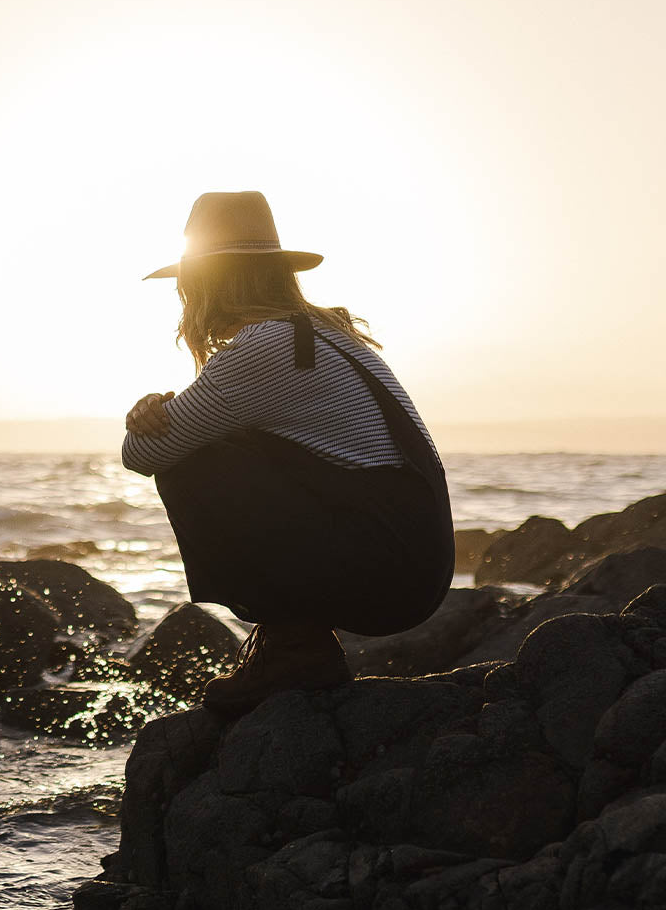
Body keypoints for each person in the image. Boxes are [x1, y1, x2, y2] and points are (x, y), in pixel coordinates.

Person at [123, 191, 454, 717]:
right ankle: (292, 643)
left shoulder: (268, 348)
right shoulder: (323, 334)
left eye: (187, 282)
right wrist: (167, 409)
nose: (184, 297)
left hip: (391, 569)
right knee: (222, 445)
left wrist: (145, 416)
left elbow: (143, 453)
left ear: (208, 282)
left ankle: (295, 649)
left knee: (194, 465)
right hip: (416, 559)